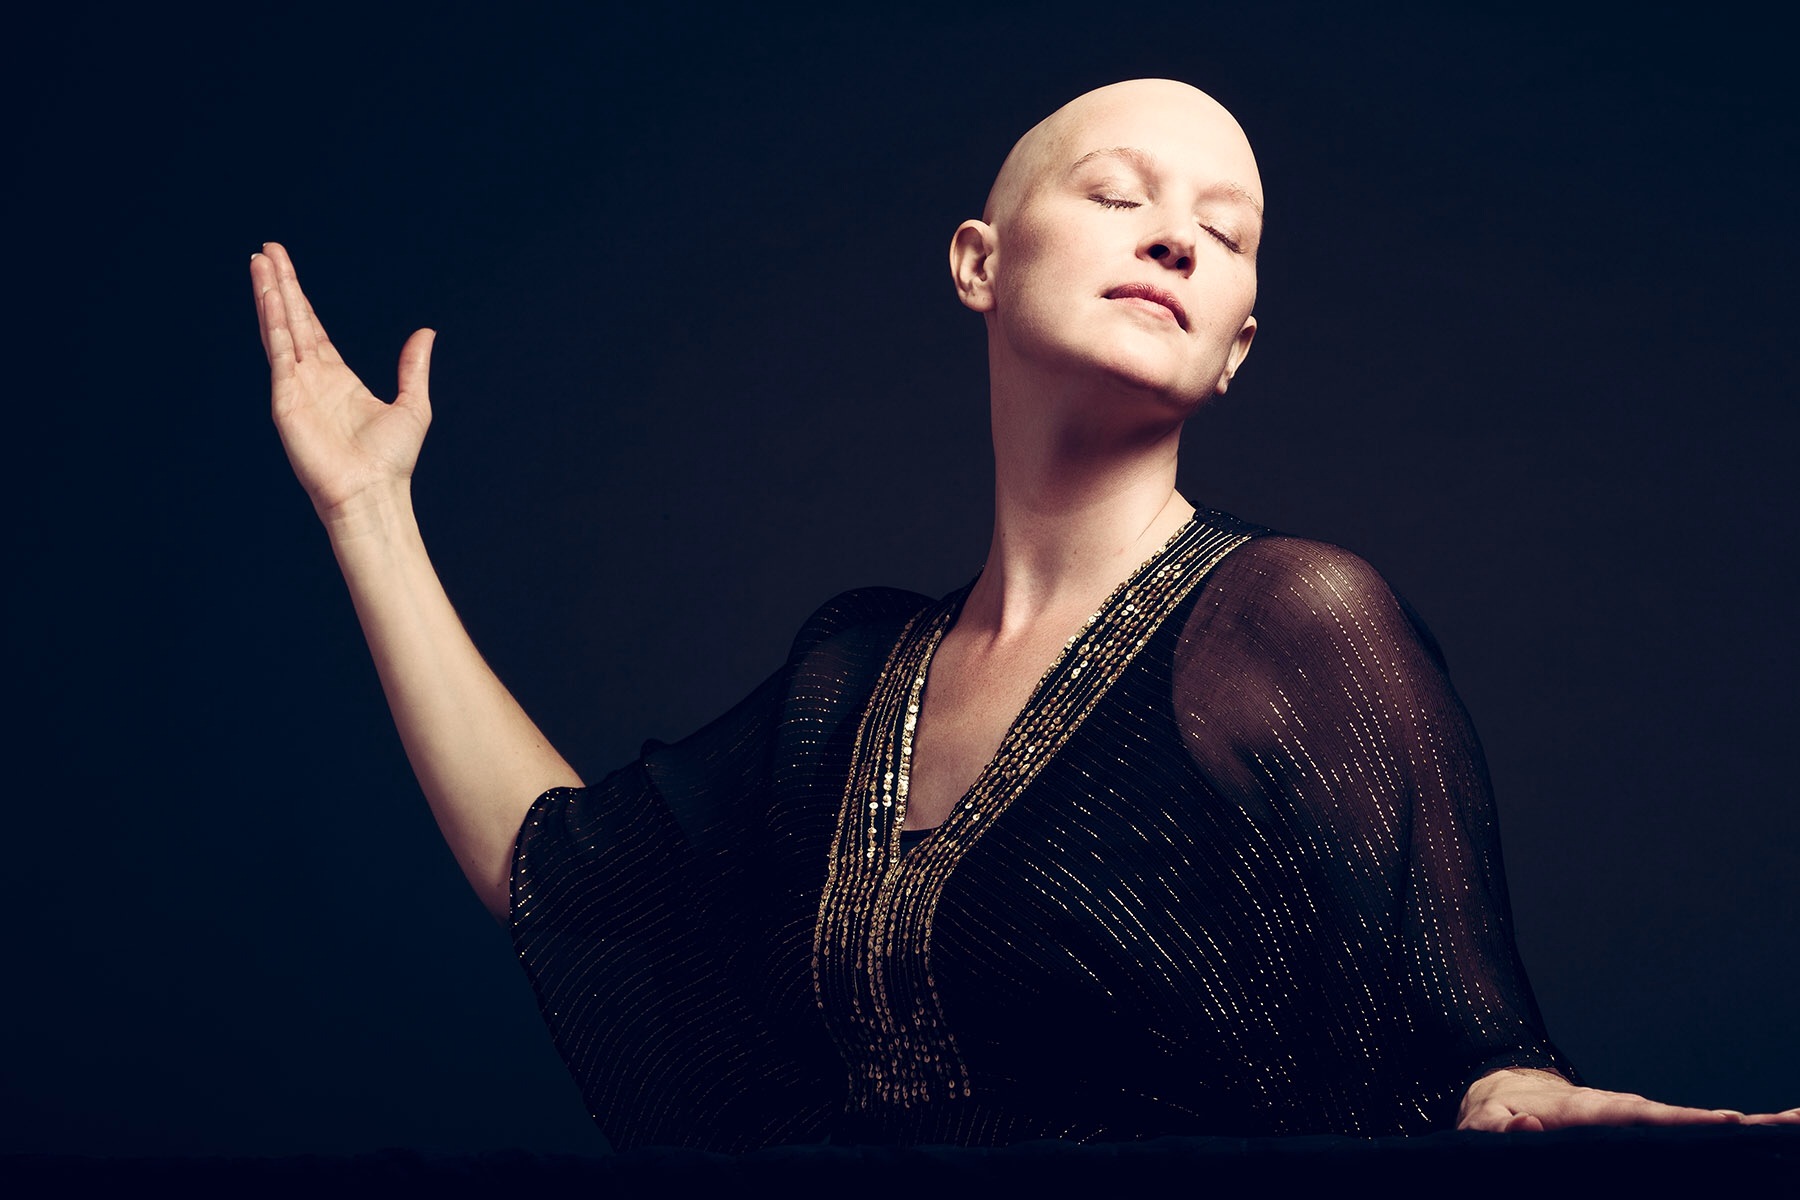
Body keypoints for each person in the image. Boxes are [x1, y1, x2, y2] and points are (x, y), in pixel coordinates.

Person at [249, 79, 1797, 1149]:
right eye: (1118, 194)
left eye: (1225, 234)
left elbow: (1468, 1042)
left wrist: (1512, 1095)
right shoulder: (852, 674)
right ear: (978, 264)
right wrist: (368, 513)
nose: (1175, 236)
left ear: (1235, 346)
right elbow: (571, 880)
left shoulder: (1288, 625)